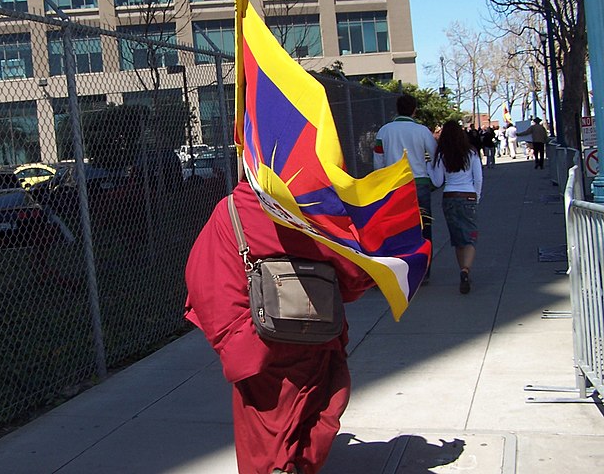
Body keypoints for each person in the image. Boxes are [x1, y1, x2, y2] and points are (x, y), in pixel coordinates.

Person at [185, 181, 376, 474]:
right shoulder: (316, 207)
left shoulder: (234, 208)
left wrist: (235, 335)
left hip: (257, 340)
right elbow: (353, 274)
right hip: (314, 335)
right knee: (318, 411)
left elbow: (205, 277)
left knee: (261, 434)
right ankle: (294, 465)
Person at [373, 94, 437, 281]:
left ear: (397, 108)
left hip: (394, 184)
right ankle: (424, 270)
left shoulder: (384, 131)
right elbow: (435, 155)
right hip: (419, 183)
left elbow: (378, 161)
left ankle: (399, 268)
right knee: (424, 226)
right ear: (414, 110)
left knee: (396, 227)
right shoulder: (422, 131)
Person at [428, 120, 483, 294]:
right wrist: (476, 196)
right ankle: (466, 270)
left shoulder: (442, 155)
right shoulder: (471, 153)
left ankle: (462, 269)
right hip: (468, 195)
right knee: (470, 237)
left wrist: (428, 166)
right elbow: (478, 178)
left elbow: (437, 181)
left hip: (449, 196)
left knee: (458, 238)